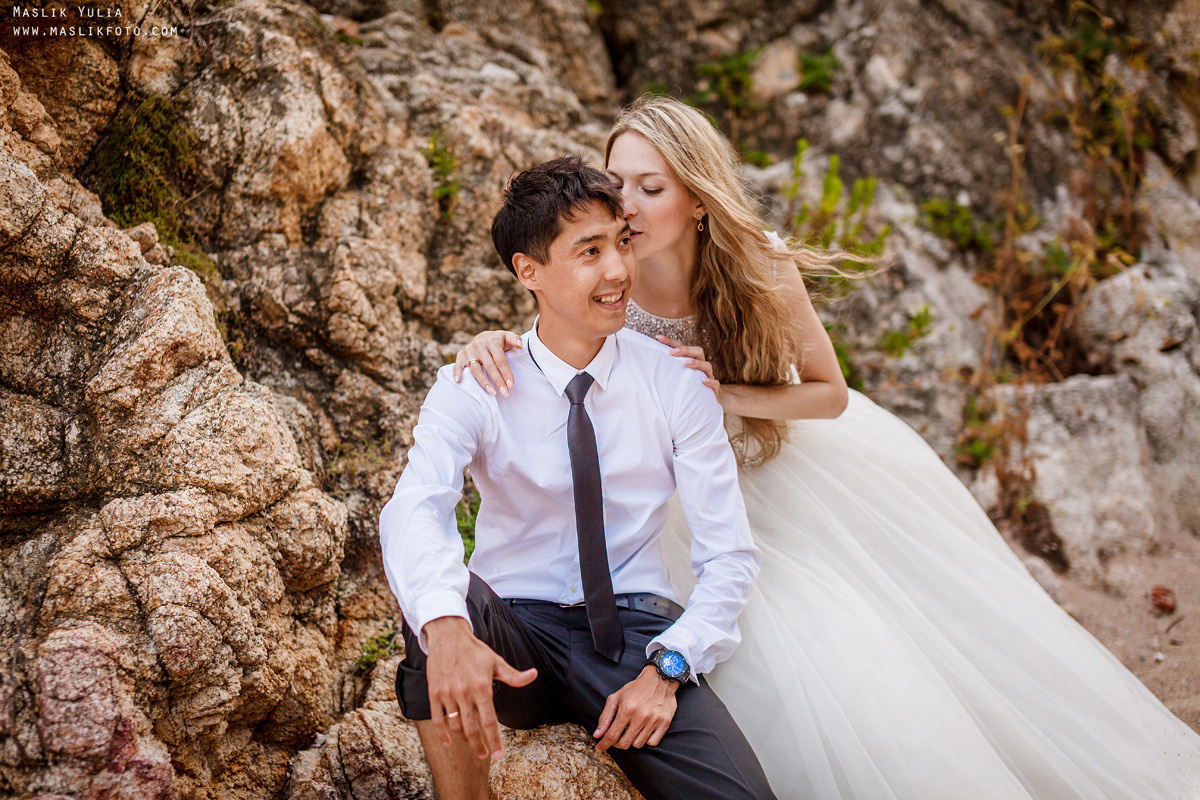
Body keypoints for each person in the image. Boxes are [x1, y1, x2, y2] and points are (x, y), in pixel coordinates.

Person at [453, 96, 1200, 799]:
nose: (628, 205)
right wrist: (492, 341)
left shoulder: (758, 266)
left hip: (767, 465)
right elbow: (551, 326)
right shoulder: (606, 270)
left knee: (837, 642)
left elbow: (828, 393)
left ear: (700, 198)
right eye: (617, 184)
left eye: (652, 187)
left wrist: (727, 397)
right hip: (661, 492)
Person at [379, 155, 777, 800]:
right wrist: (446, 629)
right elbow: (414, 509)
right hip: (515, 629)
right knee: (438, 605)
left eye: (621, 243)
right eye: (589, 251)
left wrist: (669, 670)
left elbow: (729, 555)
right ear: (528, 271)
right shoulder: (475, 385)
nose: (619, 270)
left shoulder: (677, 382)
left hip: (635, 638)